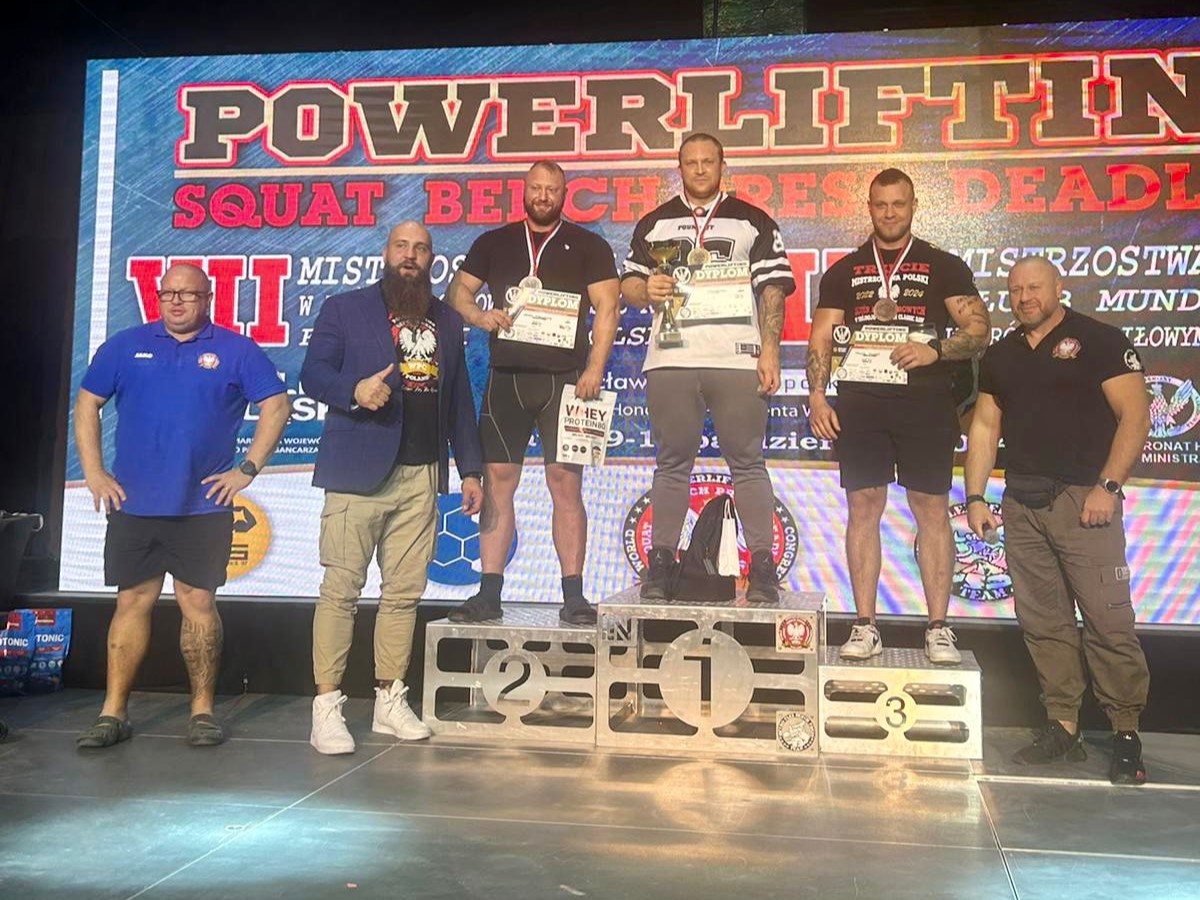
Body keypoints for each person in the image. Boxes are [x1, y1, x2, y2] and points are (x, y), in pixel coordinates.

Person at [74, 262, 290, 749]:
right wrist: (93, 472)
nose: (176, 301)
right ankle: (113, 713)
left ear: (207, 298)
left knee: (198, 603)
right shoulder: (125, 346)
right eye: (168, 293)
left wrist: (247, 469)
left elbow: (276, 405)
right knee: (131, 601)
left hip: (202, 507)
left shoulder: (235, 349)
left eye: (187, 294)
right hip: (134, 504)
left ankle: (202, 712)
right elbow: (86, 404)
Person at [965, 255, 1151, 784]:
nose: (1025, 297)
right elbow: (985, 427)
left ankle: (1126, 733)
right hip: (1022, 505)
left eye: (1035, 287)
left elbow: (1135, 416)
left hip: (1084, 502)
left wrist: (1108, 487)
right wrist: (975, 496)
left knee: (1108, 622)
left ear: (1058, 287)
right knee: (1044, 624)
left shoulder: (1101, 341)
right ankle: (1063, 728)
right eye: (1016, 290)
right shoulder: (1001, 355)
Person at [300, 221, 482, 755]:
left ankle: (389, 699)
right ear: (386, 253)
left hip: (421, 474)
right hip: (357, 473)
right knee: (341, 591)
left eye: (420, 248)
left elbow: (459, 401)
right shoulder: (345, 309)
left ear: (431, 259)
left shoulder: (447, 319)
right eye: (402, 246)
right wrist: (354, 389)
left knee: (403, 595)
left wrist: (470, 469)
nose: (411, 255)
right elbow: (312, 373)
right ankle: (326, 707)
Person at [808, 168, 991, 664]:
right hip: (860, 404)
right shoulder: (844, 271)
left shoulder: (943, 265)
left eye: (898, 204)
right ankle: (865, 625)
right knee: (863, 507)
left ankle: (938, 628)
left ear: (913, 206)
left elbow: (980, 329)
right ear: (869, 208)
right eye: (881, 204)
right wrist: (818, 396)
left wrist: (937, 349)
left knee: (931, 508)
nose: (889, 213)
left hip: (925, 402)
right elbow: (821, 337)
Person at [444, 161, 620, 625]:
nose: (543, 196)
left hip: (567, 380)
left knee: (566, 484)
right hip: (507, 378)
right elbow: (457, 293)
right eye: (536, 188)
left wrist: (595, 369)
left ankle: (574, 596)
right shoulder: (494, 242)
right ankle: (488, 593)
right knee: (498, 482)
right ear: (523, 191)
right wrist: (479, 316)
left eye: (552, 189)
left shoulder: (589, 245)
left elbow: (607, 308)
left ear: (564, 193)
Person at [622, 133, 794, 603]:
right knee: (672, 463)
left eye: (708, 161)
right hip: (672, 357)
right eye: (690, 162)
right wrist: (645, 290)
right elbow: (628, 285)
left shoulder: (753, 220)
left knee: (748, 462)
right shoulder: (654, 222)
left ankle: (762, 567)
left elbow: (773, 289)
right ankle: (661, 563)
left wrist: (770, 350)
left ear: (723, 165)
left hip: (736, 356)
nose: (699, 169)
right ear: (679, 168)